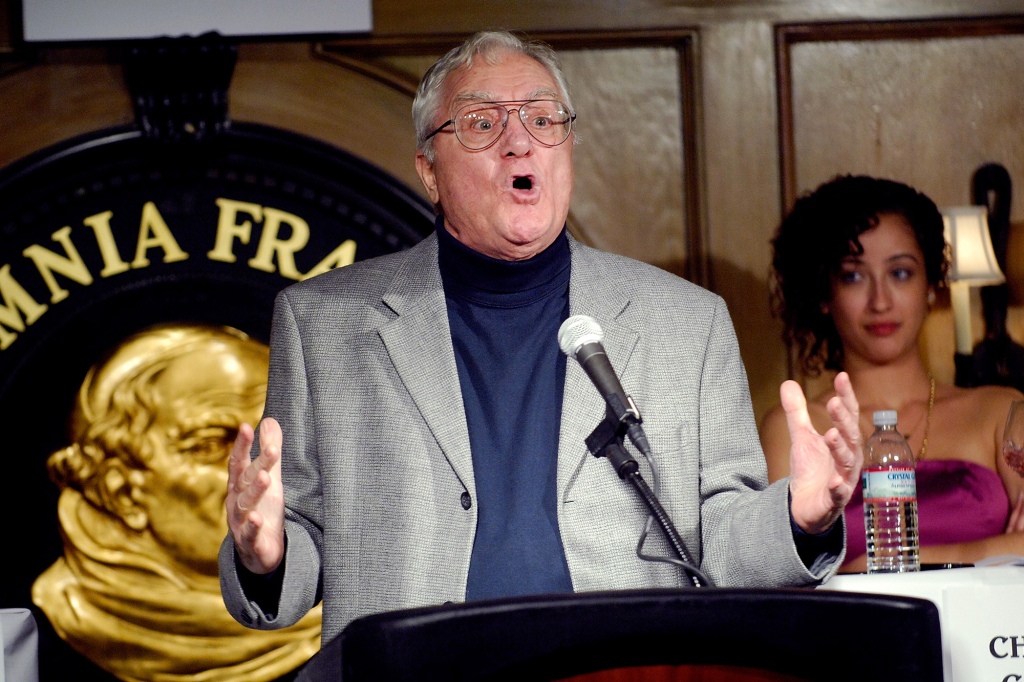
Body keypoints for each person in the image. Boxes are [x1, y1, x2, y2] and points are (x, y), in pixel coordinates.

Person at [219, 30, 863, 646]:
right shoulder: (324, 324)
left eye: (542, 119)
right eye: (481, 123)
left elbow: (718, 538)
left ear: (567, 147)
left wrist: (797, 518)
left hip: (623, 670)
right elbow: (296, 536)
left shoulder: (686, 322)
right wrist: (265, 554)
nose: (519, 143)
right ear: (430, 171)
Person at [761, 174, 1024, 572]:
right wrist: (997, 549)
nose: (880, 301)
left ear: (932, 284)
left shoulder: (1000, 411)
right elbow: (781, 578)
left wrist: (872, 564)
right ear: (824, 295)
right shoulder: (798, 429)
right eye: (853, 275)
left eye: (900, 273)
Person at [33, 323, 320, 682]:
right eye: (209, 443)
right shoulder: (65, 615)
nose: (261, 470)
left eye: (275, 436)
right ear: (121, 492)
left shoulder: (344, 608)